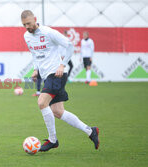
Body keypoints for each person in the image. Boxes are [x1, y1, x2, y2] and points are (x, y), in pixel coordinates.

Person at [21, 10, 99, 152]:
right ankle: (90, 131)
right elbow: (35, 54)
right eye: (24, 25)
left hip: (57, 74)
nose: (27, 27)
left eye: (29, 23)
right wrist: (35, 69)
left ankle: (53, 140)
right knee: (57, 111)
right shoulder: (27, 36)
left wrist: (63, 64)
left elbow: (69, 45)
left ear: (35, 19)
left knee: (41, 102)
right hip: (47, 76)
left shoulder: (48, 32)